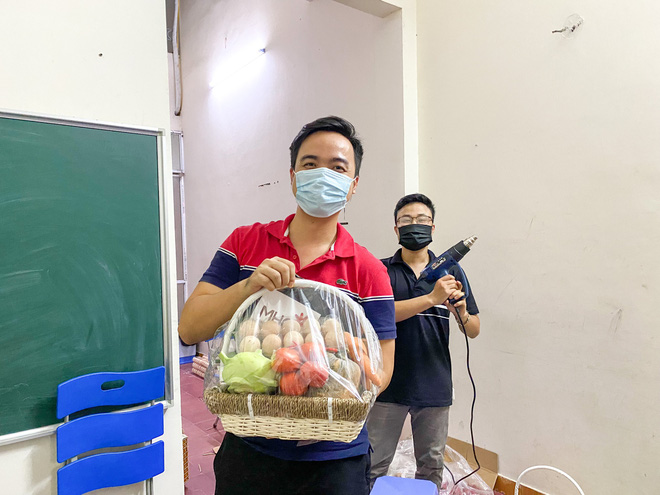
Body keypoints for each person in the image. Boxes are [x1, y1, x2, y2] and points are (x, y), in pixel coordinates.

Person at [178, 116, 396, 495]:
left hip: (335, 460)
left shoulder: (368, 270)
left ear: (353, 185)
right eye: (310, 164)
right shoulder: (244, 243)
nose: (323, 175)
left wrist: (330, 387)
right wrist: (248, 286)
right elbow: (190, 327)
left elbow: (383, 370)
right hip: (249, 450)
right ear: (293, 177)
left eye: (337, 167)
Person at [366, 193, 481, 490]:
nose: (414, 225)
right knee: (374, 464)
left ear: (432, 227)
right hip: (388, 383)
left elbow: (474, 329)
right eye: (406, 220)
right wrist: (431, 298)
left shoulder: (452, 271)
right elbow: (378, 316)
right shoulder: (381, 270)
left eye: (421, 219)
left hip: (434, 384)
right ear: (396, 229)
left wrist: (461, 312)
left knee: (431, 466)